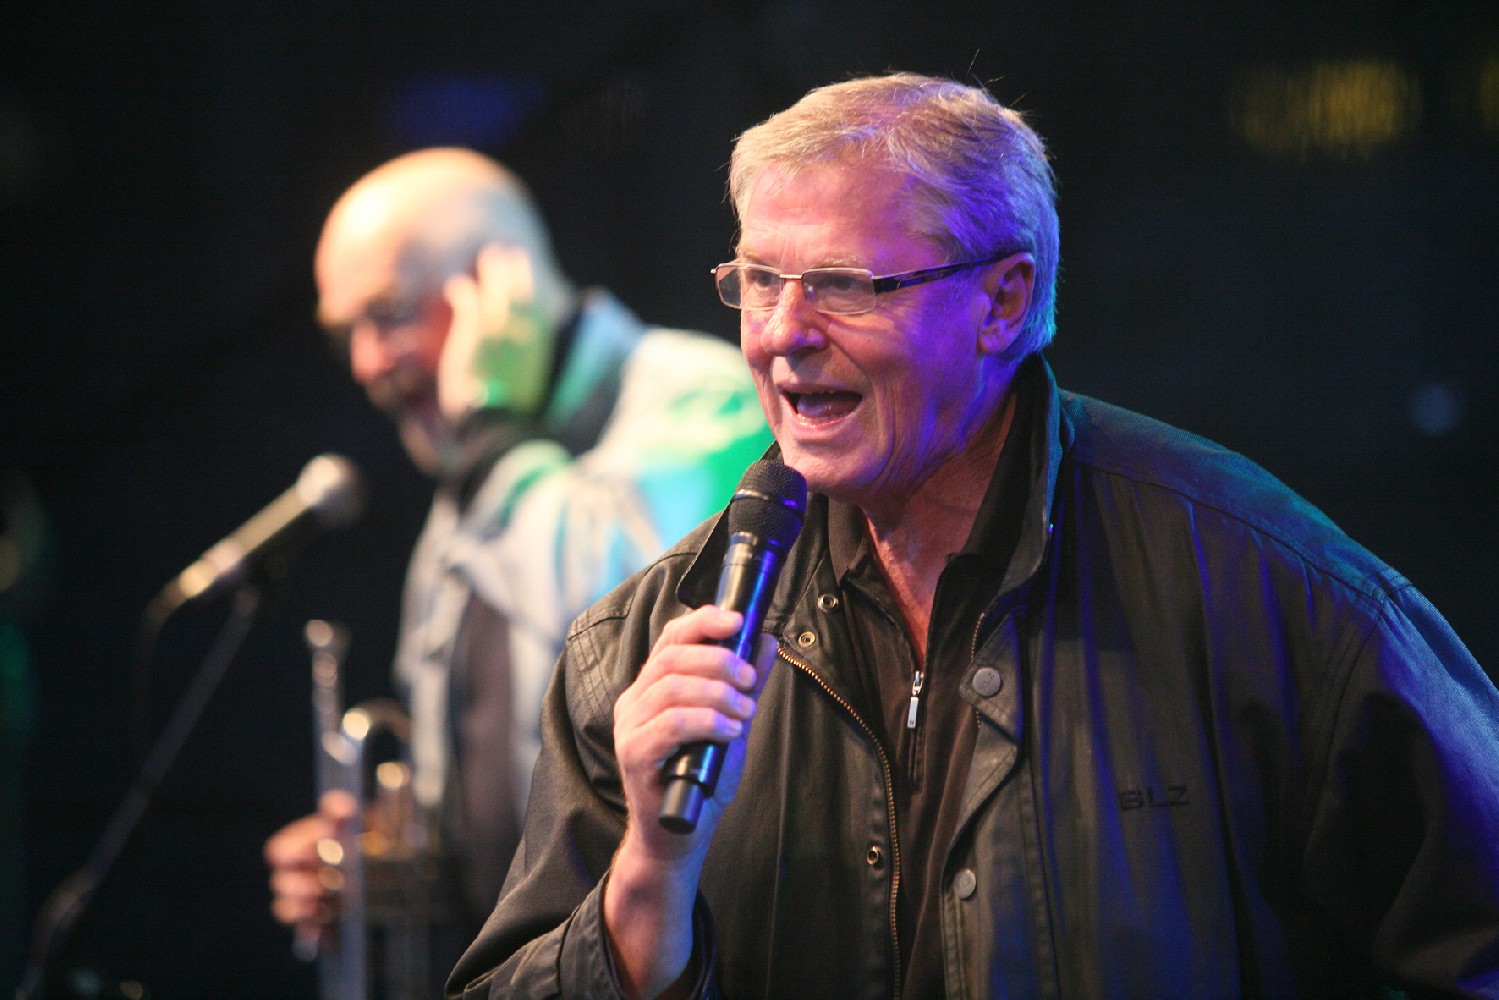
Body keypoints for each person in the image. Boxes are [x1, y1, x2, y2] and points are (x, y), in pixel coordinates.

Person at [447, 74, 1499, 999]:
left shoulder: (1264, 589)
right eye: (759, 281)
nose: (781, 334)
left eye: (844, 285)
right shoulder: (639, 647)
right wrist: (648, 873)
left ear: (1003, 299)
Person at [261, 147, 771, 959]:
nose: (365, 363)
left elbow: (614, 618)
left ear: (503, 288)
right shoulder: (478, 465)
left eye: (388, 313)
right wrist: (393, 855)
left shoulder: (698, 396)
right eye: (346, 332)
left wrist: (492, 436)